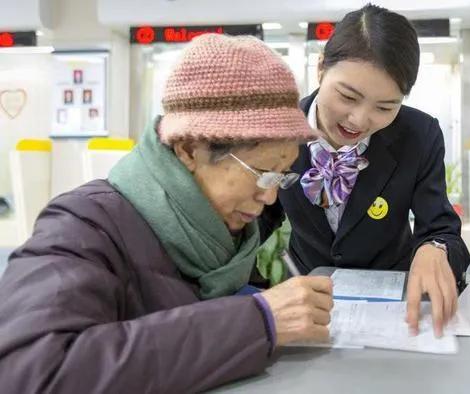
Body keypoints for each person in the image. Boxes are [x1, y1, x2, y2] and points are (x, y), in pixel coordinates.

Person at [0, 34, 334, 393]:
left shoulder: (221, 231)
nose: (269, 196)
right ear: (190, 150)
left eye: (281, 175)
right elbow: (31, 372)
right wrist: (257, 322)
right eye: (261, 173)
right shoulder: (83, 226)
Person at [260, 4, 470, 337]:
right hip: (306, 305)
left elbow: (441, 227)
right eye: (347, 96)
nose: (359, 120)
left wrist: (436, 249)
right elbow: (256, 217)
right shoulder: (280, 128)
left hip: (394, 309)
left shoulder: (419, 135)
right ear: (320, 70)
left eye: (385, 107)